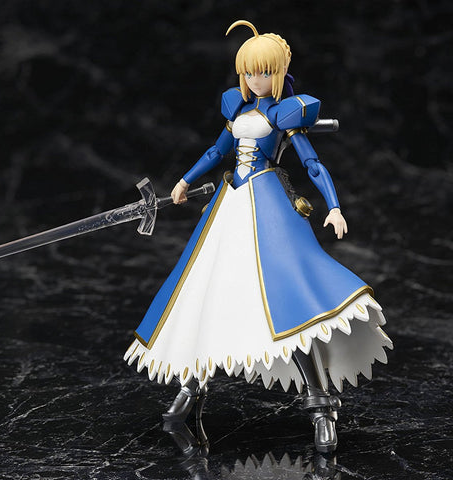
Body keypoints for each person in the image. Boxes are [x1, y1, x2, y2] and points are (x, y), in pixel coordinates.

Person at [124, 20, 392, 453]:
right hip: (228, 206)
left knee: (287, 299)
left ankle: (320, 406)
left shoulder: (285, 114)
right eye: (249, 72)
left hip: (267, 207)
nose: (255, 79)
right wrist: (184, 181)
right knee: (207, 294)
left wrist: (334, 206)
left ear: (279, 73)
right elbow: (217, 151)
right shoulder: (237, 110)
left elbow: (313, 164)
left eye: (264, 72)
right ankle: (191, 390)